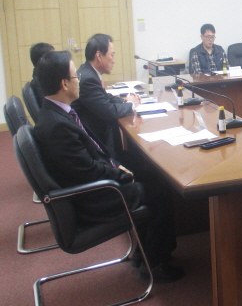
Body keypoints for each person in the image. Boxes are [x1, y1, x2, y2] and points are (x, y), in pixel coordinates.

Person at [34, 50, 183, 282]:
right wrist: (121, 173)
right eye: (76, 77)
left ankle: (143, 254)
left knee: (150, 179)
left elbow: (88, 160)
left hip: (92, 185)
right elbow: (87, 172)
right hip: (93, 198)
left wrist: (117, 166)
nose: (79, 80)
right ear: (64, 84)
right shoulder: (56, 127)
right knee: (159, 192)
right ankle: (154, 264)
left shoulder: (55, 113)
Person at [71, 33, 141, 159]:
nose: (114, 60)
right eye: (112, 55)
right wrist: (131, 104)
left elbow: (105, 97)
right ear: (99, 56)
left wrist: (125, 100)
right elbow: (110, 112)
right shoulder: (87, 79)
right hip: (97, 144)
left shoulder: (88, 72)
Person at [30, 42, 55, 107]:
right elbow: (49, 105)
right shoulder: (40, 82)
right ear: (43, 60)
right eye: (53, 56)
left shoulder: (44, 77)